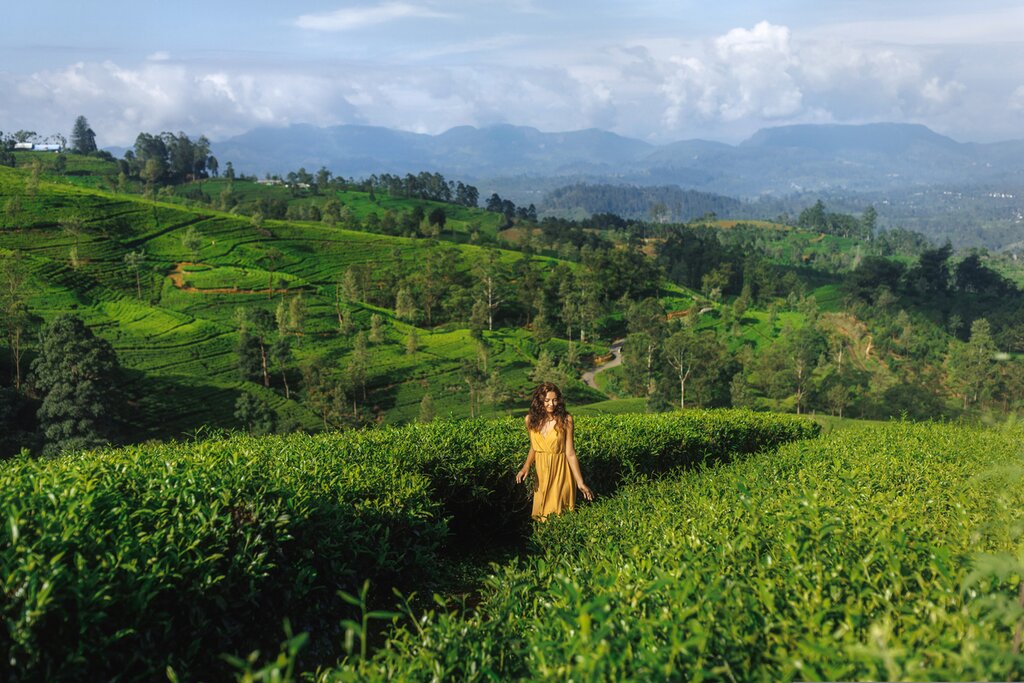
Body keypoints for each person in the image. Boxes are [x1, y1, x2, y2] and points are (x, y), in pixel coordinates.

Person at [515, 383, 593, 519]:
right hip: (541, 474)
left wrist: (580, 482)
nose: (552, 404)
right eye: (547, 400)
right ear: (539, 401)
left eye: (555, 399)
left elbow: (570, 453)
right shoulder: (530, 420)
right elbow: (534, 446)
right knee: (540, 516)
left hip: (561, 471)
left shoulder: (566, 420)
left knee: (558, 515)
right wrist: (526, 466)